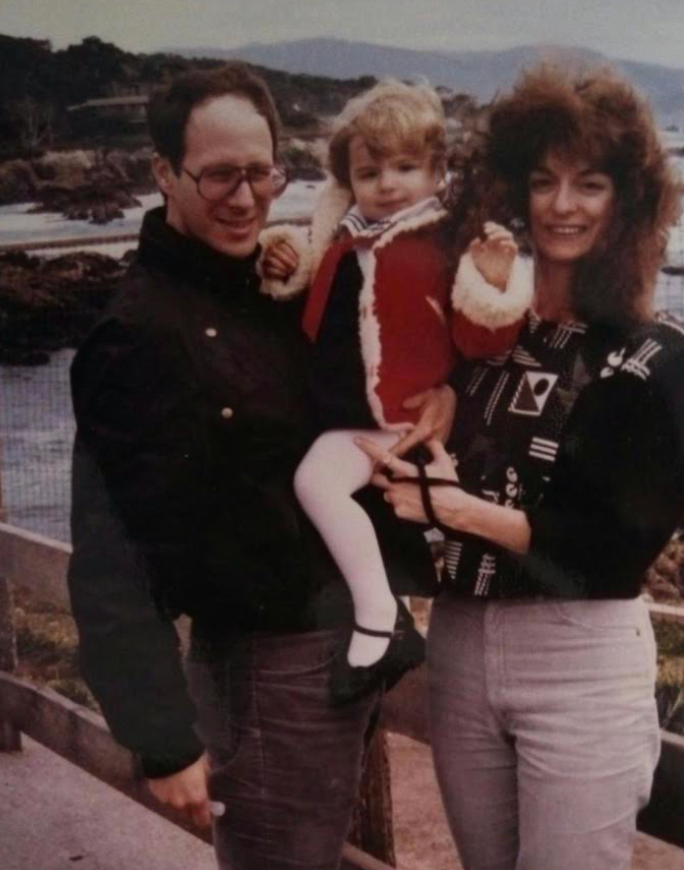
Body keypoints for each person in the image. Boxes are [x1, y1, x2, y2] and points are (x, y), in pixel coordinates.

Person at [66, 63, 441, 870]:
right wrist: (161, 738)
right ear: (163, 171)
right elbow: (111, 555)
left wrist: (440, 397)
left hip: (333, 655)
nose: (246, 199)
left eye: (263, 173)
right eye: (218, 176)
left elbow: (380, 365)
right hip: (264, 672)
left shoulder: (265, 283)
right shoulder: (140, 331)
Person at [357, 64, 684, 870]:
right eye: (544, 181)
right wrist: (428, 393)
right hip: (461, 642)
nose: (563, 205)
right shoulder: (479, 338)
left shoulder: (656, 359)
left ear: (629, 201)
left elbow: (614, 552)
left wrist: (455, 510)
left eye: (591, 184)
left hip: (579, 658)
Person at [260, 79, 533, 704]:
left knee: (316, 485)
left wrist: (493, 281)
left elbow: (480, 339)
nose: (387, 183)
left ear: (437, 171)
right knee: (315, 488)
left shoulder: (439, 244)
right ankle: (383, 617)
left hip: (395, 416)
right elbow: (319, 297)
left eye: (405, 167)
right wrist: (288, 263)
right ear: (348, 179)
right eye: (370, 170)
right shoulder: (345, 235)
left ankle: (380, 620)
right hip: (345, 413)